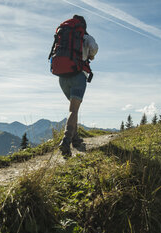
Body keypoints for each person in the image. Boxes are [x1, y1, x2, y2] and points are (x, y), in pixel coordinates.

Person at [58, 15, 98, 156]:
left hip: (62, 77)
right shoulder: (86, 37)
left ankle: (75, 139)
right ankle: (66, 140)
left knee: (72, 109)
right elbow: (94, 49)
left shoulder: (64, 34)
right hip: (78, 75)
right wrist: (91, 55)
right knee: (73, 110)